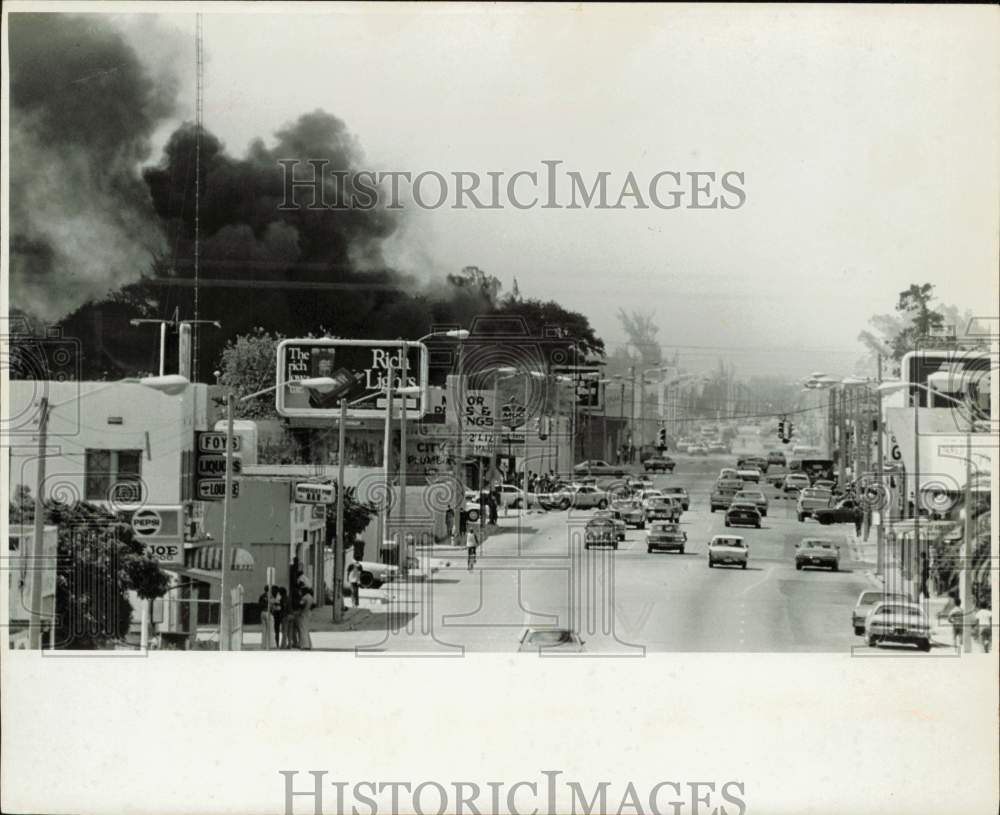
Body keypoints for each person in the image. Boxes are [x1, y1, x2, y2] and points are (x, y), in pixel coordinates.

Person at [296, 575, 314, 650]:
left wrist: (299, 611)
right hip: (308, 613)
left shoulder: (305, 597)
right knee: (306, 629)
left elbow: (301, 605)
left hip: (303, 614)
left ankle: (304, 645)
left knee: (302, 629)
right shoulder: (310, 597)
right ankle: (308, 644)